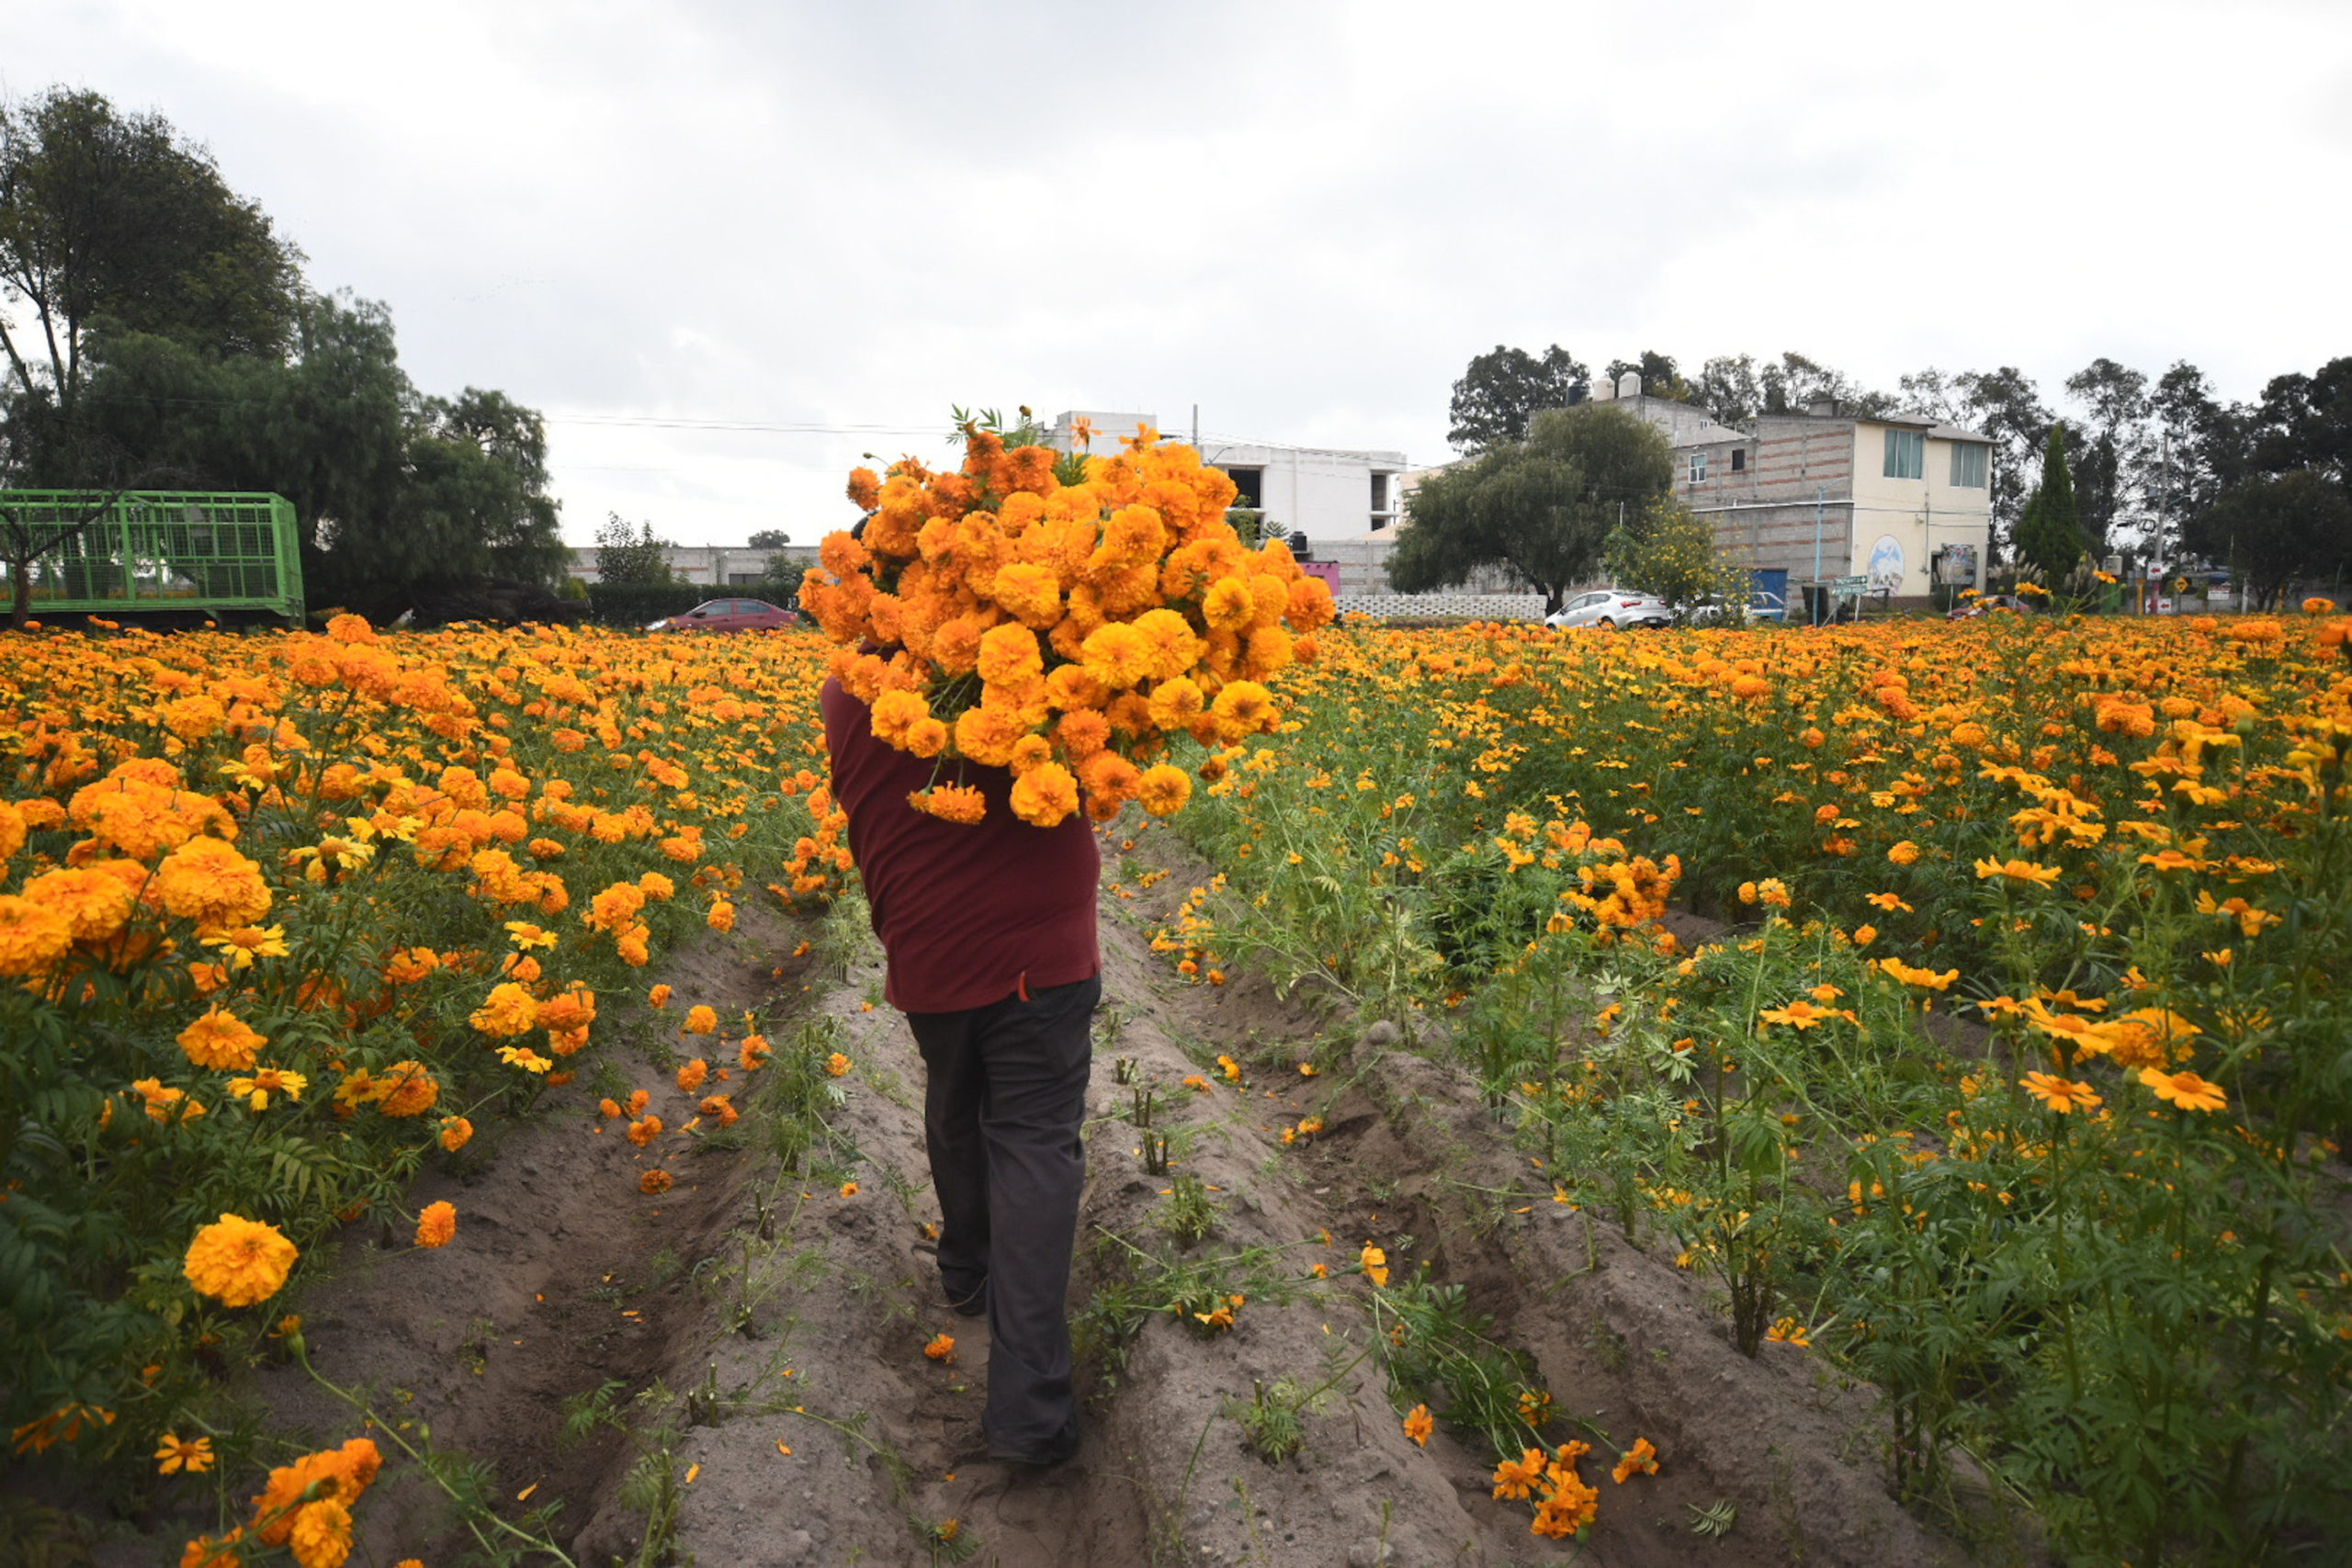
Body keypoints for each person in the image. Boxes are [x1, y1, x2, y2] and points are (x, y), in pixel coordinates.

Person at [820, 676, 1100, 1467]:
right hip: (1043, 951)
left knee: (955, 1101)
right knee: (1035, 1145)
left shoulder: (847, 690)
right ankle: (1032, 1415)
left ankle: (969, 1271)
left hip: (930, 947)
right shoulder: (1036, 665)